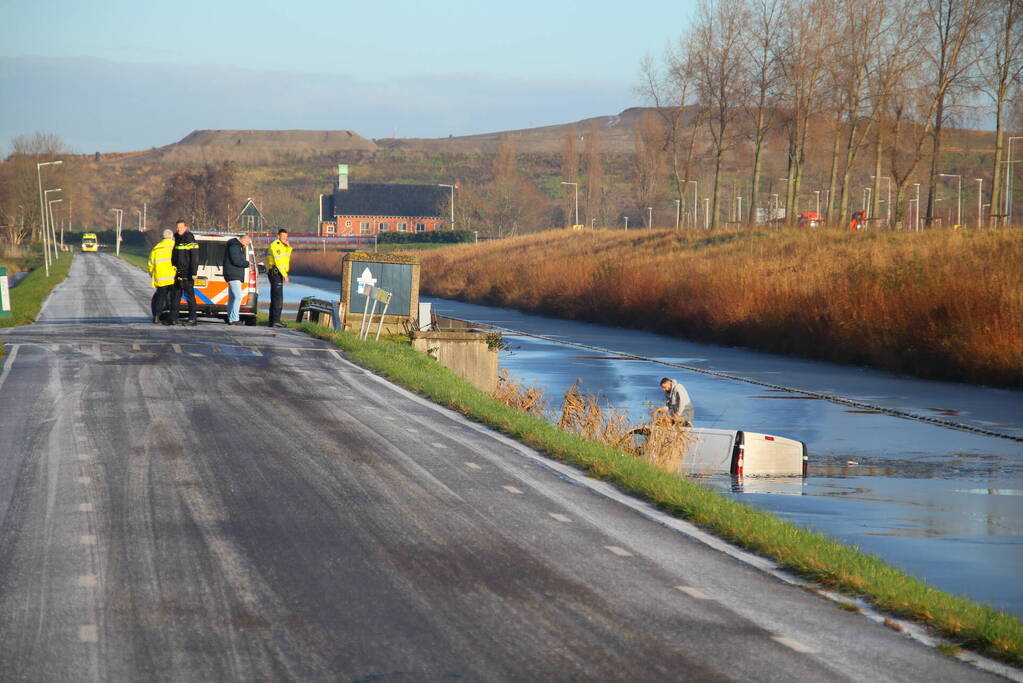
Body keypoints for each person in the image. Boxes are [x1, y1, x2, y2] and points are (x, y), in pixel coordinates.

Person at [167, 219, 199, 326]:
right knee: (175, 296)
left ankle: (192, 319)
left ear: (186, 227)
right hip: (178, 272)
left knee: (190, 297)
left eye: (180, 227)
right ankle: (173, 318)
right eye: (177, 227)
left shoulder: (189, 238)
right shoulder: (176, 238)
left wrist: (194, 272)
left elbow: (194, 257)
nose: (178, 229)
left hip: (188, 272)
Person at [147, 229, 177, 324]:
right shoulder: (175, 246)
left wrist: (152, 274)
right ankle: (173, 317)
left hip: (161, 277)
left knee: (160, 298)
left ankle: (156, 316)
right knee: (173, 298)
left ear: (163, 237)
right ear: (171, 237)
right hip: (173, 277)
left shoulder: (156, 248)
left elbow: (151, 264)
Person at [266, 228, 292, 328]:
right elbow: (279, 263)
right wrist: (285, 275)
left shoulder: (282, 246)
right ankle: (276, 321)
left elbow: (286, 257)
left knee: (275, 297)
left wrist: (288, 248)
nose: (285, 238)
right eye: (283, 236)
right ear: (278, 236)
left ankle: (272, 321)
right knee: (278, 298)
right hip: (276, 273)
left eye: (286, 237)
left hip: (277, 273)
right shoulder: (276, 245)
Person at [223, 233, 251, 326]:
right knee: (238, 297)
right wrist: (247, 263)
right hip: (233, 274)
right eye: (247, 243)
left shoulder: (235, 246)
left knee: (232, 298)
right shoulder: (235, 246)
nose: (247, 246)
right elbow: (236, 260)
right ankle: (235, 319)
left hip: (233, 274)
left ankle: (231, 318)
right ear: (243, 240)